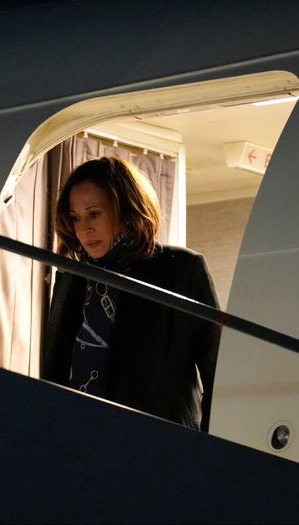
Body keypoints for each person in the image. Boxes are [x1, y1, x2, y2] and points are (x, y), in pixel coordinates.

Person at [40, 157, 221, 432]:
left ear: (125, 210)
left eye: (94, 213)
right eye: (75, 217)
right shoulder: (70, 279)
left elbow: (218, 373)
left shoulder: (182, 269)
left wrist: (207, 450)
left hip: (160, 447)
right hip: (80, 439)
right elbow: (52, 375)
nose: (83, 229)